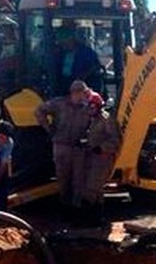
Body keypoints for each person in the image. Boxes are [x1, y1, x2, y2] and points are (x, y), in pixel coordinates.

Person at [34, 79, 97, 218]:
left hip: (79, 149)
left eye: (85, 93)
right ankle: (64, 207)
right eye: (81, 93)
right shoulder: (59, 104)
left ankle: (76, 210)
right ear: (74, 93)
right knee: (63, 179)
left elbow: (100, 120)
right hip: (61, 146)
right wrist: (48, 128)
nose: (83, 96)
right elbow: (39, 110)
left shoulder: (89, 107)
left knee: (78, 180)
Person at [79, 92, 122, 225]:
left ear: (97, 106)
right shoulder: (94, 120)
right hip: (93, 157)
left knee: (91, 188)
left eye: (91, 107)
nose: (89, 110)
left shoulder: (106, 119)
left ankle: (90, 218)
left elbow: (115, 141)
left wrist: (102, 148)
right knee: (96, 190)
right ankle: (96, 219)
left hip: (103, 159)